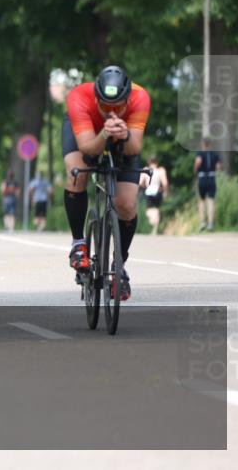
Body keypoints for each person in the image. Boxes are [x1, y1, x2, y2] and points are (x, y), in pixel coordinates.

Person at [63, 65, 150, 301]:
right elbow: (87, 149)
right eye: (105, 106)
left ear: (128, 98)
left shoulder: (140, 97)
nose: (112, 111)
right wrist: (103, 134)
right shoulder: (80, 97)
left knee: (127, 205)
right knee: (77, 173)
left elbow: (134, 149)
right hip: (88, 134)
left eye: (118, 106)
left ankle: (118, 264)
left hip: (123, 136)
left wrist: (125, 135)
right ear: (96, 97)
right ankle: (78, 242)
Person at [194, 140, 222, 231]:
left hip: (202, 178)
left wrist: (195, 170)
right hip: (211, 178)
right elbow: (219, 167)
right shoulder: (214, 154)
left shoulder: (200, 153)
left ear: (202, 145)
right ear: (209, 145)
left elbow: (198, 162)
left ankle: (202, 222)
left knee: (201, 201)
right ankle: (210, 224)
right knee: (211, 201)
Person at [141, 156, 168, 235]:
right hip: (157, 191)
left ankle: (153, 225)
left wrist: (145, 187)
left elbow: (140, 182)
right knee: (156, 209)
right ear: (157, 162)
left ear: (149, 162)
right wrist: (164, 191)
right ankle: (155, 227)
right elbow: (165, 183)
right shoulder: (160, 170)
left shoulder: (146, 170)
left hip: (149, 190)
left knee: (149, 210)